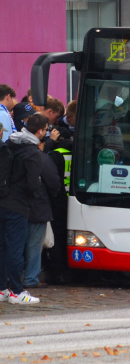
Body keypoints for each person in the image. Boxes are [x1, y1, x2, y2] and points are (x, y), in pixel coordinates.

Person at [0, 113, 49, 304]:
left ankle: (3, 288)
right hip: (18, 206)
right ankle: (17, 292)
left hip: (2, 201)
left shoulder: (12, 143)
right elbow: (32, 184)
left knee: (2, 247)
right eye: (45, 129)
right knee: (15, 248)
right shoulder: (33, 153)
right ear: (39, 131)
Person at [23, 134, 63, 289]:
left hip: (18, 207)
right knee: (35, 244)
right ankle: (31, 278)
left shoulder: (14, 154)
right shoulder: (42, 158)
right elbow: (54, 183)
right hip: (38, 207)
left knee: (16, 244)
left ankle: (12, 276)